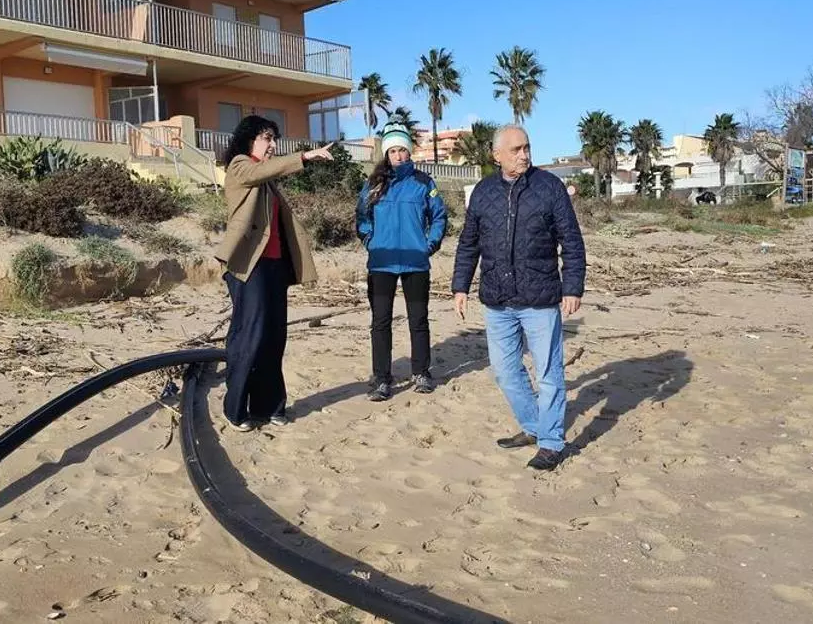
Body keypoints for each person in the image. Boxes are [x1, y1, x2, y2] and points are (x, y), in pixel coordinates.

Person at [451, 125, 586, 471]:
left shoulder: (549, 187)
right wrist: (460, 286)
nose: (524, 155)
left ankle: (551, 442)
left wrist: (572, 287)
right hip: (497, 300)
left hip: (540, 299)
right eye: (516, 150)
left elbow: (571, 241)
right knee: (505, 372)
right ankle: (533, 426)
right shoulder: (483, 192)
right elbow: (469, 243)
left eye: (527, 148)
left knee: (549, 374)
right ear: (496, 155)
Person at [213, 115, 334, 432]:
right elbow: (259, 171)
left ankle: (269, 407)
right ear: (249, 140)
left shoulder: (267, 181)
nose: (273, 145)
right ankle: (235, 409)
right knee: (249, 335)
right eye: (267, 138)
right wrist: (305, 156)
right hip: (249, 266)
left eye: (274, 138)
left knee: (273, 337)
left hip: (274, 266)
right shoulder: (240, 167)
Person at [356, 120, 448, 401]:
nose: (398, 155)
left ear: (409, 151)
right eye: (393, 150)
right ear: (386, 153)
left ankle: (421, 373)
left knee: (418, 320)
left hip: (415, 263)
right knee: (380, 322)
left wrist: (429, 245)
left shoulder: (424, 183)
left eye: (402, 150)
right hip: (381, 263)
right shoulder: (373, 183)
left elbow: (439, 216)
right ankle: (382, 379)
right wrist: (370, 241)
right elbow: (362, 217)